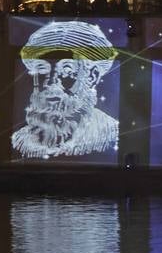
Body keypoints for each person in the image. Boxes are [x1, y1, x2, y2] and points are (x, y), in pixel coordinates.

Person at [12, 20, 119, 159]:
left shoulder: (110, 133)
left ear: (92, 76)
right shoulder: (21, 140)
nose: (51, 82)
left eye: (66, 69)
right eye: (42, 69)